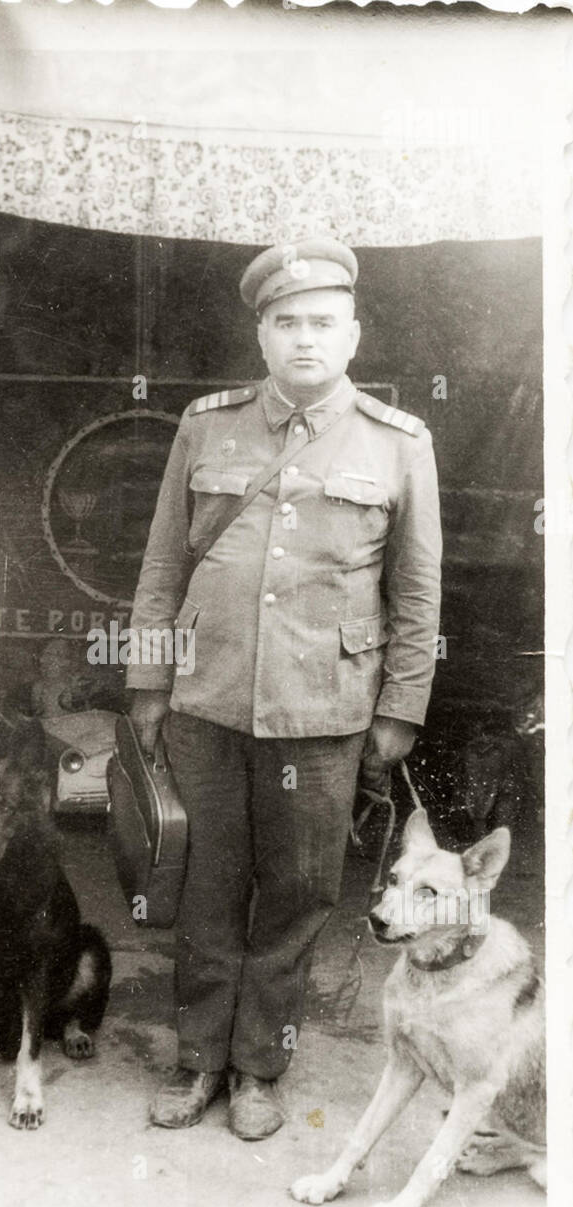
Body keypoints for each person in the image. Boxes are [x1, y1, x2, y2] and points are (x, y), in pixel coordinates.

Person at [126, 237, 442, 1140]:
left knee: (300, 892)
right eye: (285, 323)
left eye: (322, 323)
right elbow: (160, 565)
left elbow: (416, 593)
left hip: (323, 710)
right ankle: (197, 1061)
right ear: (261, 335)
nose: (304, 339)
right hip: (208, 698)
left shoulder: (397, 442)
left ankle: (260, 1063)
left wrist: (398, 710)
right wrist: (149, 679)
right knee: (207, 886)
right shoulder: (206, 424)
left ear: (353, 333)